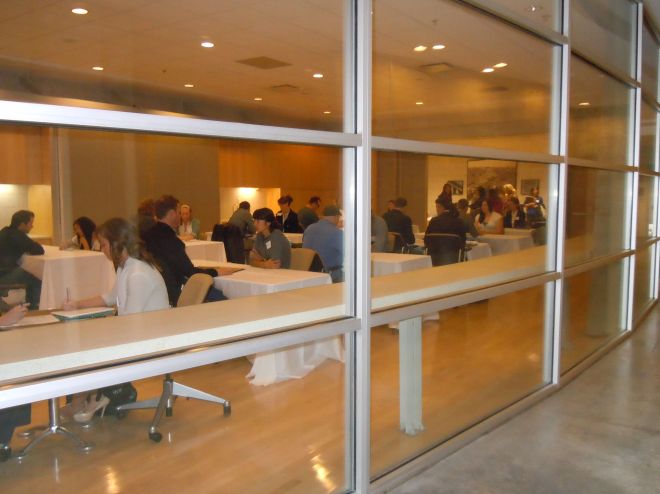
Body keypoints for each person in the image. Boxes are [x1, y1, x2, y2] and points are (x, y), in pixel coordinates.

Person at [62, 217, 170, 422]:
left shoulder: (137, 274)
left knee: (89, 344)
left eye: (103, 245)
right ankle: (90, 397)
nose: (101, 249)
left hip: (151, 339)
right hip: (140, 331)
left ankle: (89, 398)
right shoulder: (125, 267)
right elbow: (111, 298)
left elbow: (130, 321)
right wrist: (77, 304)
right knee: (88, 339)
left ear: (117, 243)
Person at [143, 195, 218, 306]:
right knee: (220, 296)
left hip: (152, 291)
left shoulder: (145, 236)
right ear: (171, 214)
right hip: (174, 293)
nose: (180, 216)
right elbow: (190, 272)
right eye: (178, 212)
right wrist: (216, 272)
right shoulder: (171, 241)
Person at [0, 210, 44, 309]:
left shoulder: (4, 231)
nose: (32, 226)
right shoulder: (18, 235)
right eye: (30, 223)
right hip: (3, 275)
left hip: (2, 272)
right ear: (22, 224)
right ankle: (33, 306)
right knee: (37, 275)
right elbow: (39, 250)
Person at [303, 205, 343, 282]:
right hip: (330, 275)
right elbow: (350, 253)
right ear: (336, 217)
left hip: (308, 273)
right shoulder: (337, 233)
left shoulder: (309, 228)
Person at [424, 196, 467, 265]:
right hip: (453, 257)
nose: (436, 209)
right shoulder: (459, 221)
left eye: (437, 207)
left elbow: (426, 239)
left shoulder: (433, 221)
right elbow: (463, 241)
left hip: (434, 257)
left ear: (441, 207)